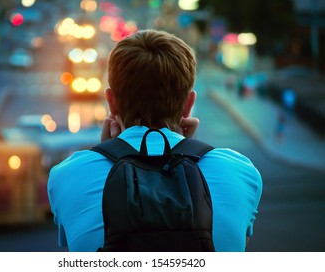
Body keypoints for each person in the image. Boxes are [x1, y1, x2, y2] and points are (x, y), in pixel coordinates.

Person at [47, 29, 263, 252]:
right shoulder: (241, 171)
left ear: (111, 102)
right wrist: (186, 150)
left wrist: (108, 150)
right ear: (189, 104)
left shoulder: (65, 175)